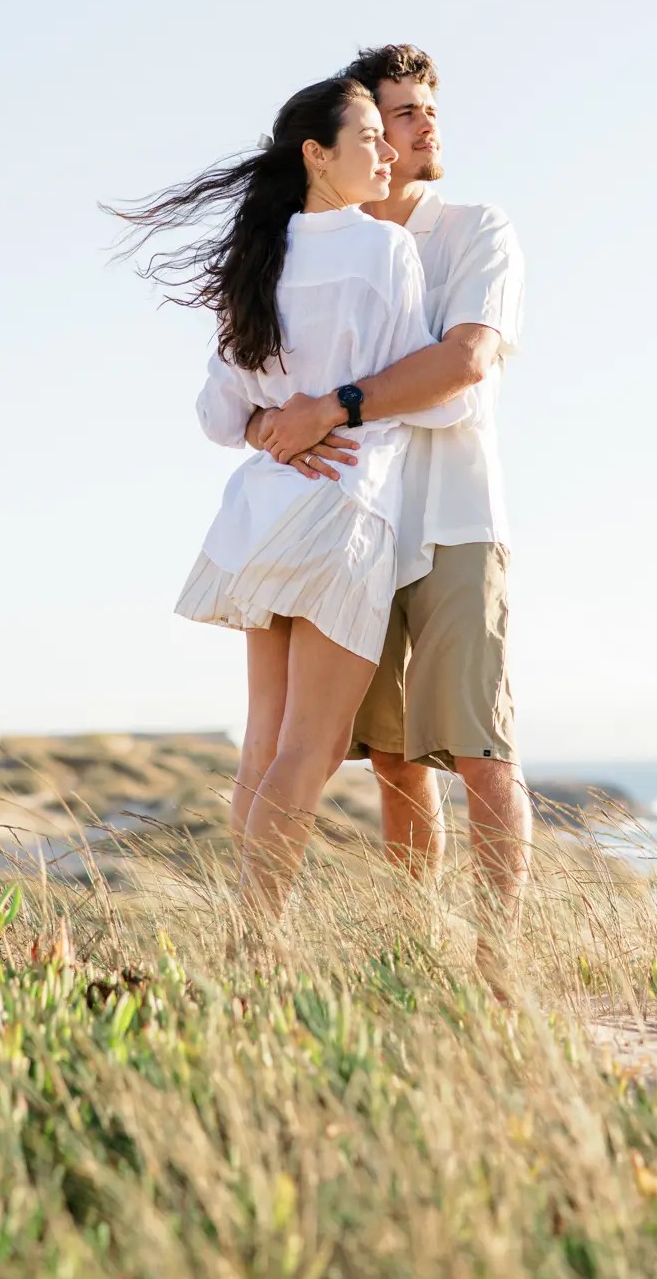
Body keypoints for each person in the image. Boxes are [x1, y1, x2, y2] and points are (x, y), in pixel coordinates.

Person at [107, 76, 471, 922]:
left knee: (264, 741)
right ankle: (257, 938)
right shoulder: (384, 251)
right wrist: (339, 408)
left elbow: (215, 417)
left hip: (260, 516)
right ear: (318, 154)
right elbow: (441, 396)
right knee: (308, 748)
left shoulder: (257, 260)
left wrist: (275, 418)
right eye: (371, 136)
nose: (387, 151)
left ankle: (250, 932)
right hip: (344, 510)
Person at [246, 45, 532, 987]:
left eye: (425, 111)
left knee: (481, 752)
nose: (424, 127)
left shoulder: (473, 229)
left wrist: (330, 407)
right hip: (351, 527)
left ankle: (497, 966)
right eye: (400, 115)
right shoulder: (323, 250)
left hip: (451, 519)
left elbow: (462, 367)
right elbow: (251, 388)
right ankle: (416, 951)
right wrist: (268, 424)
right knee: (393, 765)